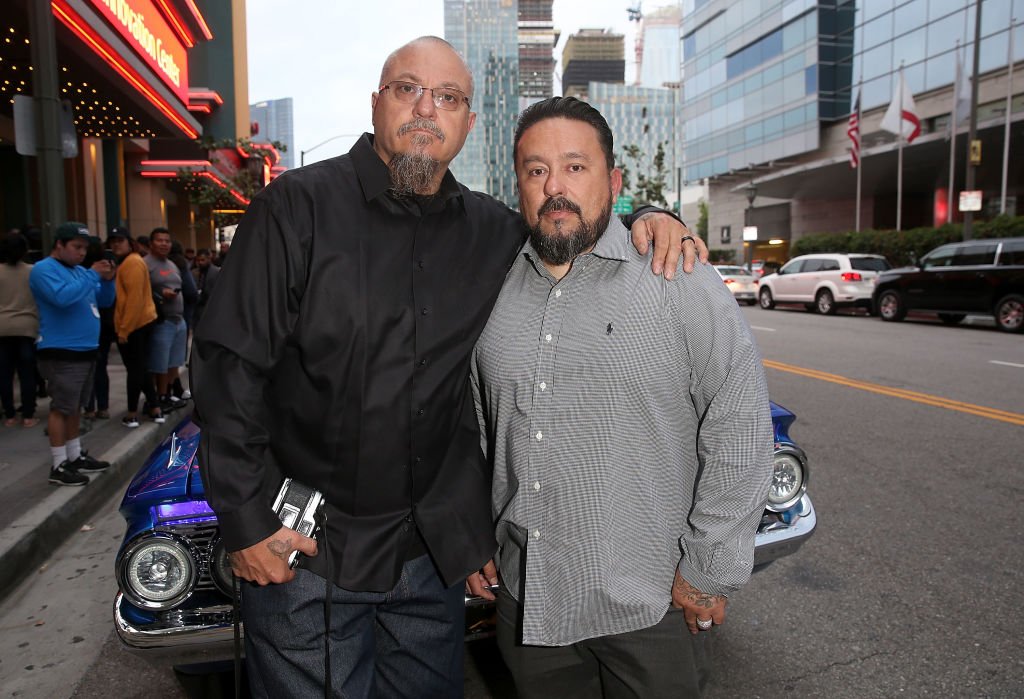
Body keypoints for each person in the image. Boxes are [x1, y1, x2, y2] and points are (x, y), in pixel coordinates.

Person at [192, 36, 705, 699]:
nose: (426, 109)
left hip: (426, 561)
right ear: (377, 105)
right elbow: (229, 369)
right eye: (408, 90)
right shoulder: (295, 208)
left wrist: (651, 219)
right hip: (306, 554)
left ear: (468, 122)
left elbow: (569, 220)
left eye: (449, 98)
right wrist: (245, 519)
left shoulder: (495, 234)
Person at [466, 97, 773, 698]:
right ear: (518, 185)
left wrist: (709, 569)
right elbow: (482, 431)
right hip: (530, 604)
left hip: (650, 607)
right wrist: (475, 532)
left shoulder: (675, 275)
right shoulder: (492, 292)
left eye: (575, 167)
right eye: (536, 170)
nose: (555, 186)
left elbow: (738, 425)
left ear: (613, 181)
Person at [28, 222, 115, 486]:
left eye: (84, 248)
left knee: (75, 406)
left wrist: (108, 280)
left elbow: (104, 301)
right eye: (76, 247)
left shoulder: (79, 271)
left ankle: (75, 455)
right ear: (59, 245)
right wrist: (92, 275)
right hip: (61, 350)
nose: (81, 253)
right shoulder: (43, 270)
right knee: (61, 407)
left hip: (86, 349)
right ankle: (58, 463)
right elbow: (61, 298)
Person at [107, 227, 164, 428]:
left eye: (119, 240)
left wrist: (124, 330)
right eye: (112, 241)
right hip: (139, 322)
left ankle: (132, 412)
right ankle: (155, 408)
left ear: (129, 242)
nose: (115, 245)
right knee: (140, 369)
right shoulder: (129, 262)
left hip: (136, 324)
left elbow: (134, 301)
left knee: (135, 370)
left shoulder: (132, 263)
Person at [145, 228, 188, 412]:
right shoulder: (145, 264)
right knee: (160, 362)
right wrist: (160, 294)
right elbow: (142, 291)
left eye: (167, 241)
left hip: (179, 320)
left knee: (174, 361)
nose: (164, 244)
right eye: (159, 240)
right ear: (151, 244)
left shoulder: (172, 265)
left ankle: (169, 393)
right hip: (161, 321)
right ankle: (159, 396)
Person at [0, 232, 39, 428]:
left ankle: (9, 415)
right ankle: (29, 416)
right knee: (27, 373)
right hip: (27, 328)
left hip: (2, 328)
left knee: (5, 374)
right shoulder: (33, 271)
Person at [191, 248, 220, 329]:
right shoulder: (194, 272)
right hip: (197, 308)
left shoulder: (217, 272)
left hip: (211, 307)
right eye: (198, 260)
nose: (200, 262)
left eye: (203, 260)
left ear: (209, 259)